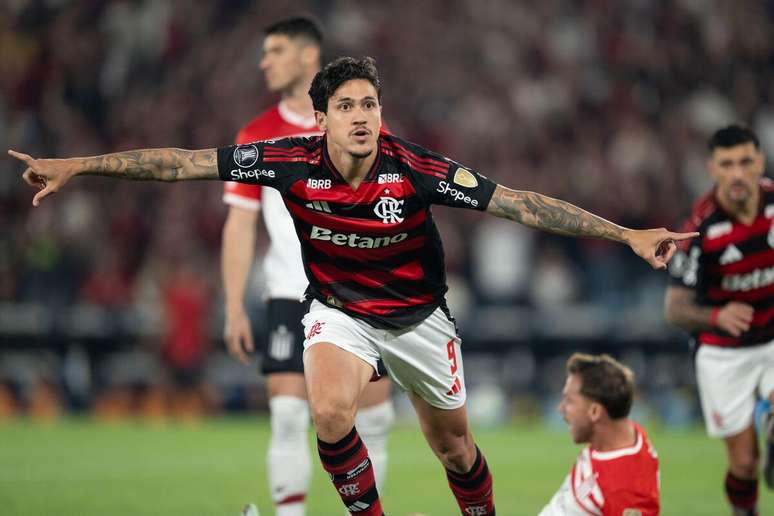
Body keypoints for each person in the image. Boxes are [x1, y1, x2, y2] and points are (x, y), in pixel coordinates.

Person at [10, 56, 696, 516]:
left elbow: (521, 203)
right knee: (331, 414)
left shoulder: (416, 168)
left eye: (371, 103)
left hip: (422, 320)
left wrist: (627, 235)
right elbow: (179, 164)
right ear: (324, 117)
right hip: (339, 314)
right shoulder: (285, 161)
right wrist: (81, 165)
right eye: (348, 105)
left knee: (455, 448)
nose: (363, 115)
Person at [221, 18, 393, 515]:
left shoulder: (362, 127)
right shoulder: (256, 136)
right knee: (288, 414)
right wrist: (233, 304)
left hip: (360, 294)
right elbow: (239, 225)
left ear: (305, 56)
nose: (264, 63)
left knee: (373, 422)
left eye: (274, 51)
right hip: (288, 293)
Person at [665, 124, 774, 516]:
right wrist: (716, 314)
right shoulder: (699, 227)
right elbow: (674, 309)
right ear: (713, 168)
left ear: (760, 161)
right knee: (744, 464)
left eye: (746, 162)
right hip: (723, 353)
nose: (738, 173)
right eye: (727, 164)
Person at [540, 353, 660, 515]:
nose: (560, 408)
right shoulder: (613, 439)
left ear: (595, 411)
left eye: (569, 401)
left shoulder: (623, 490)